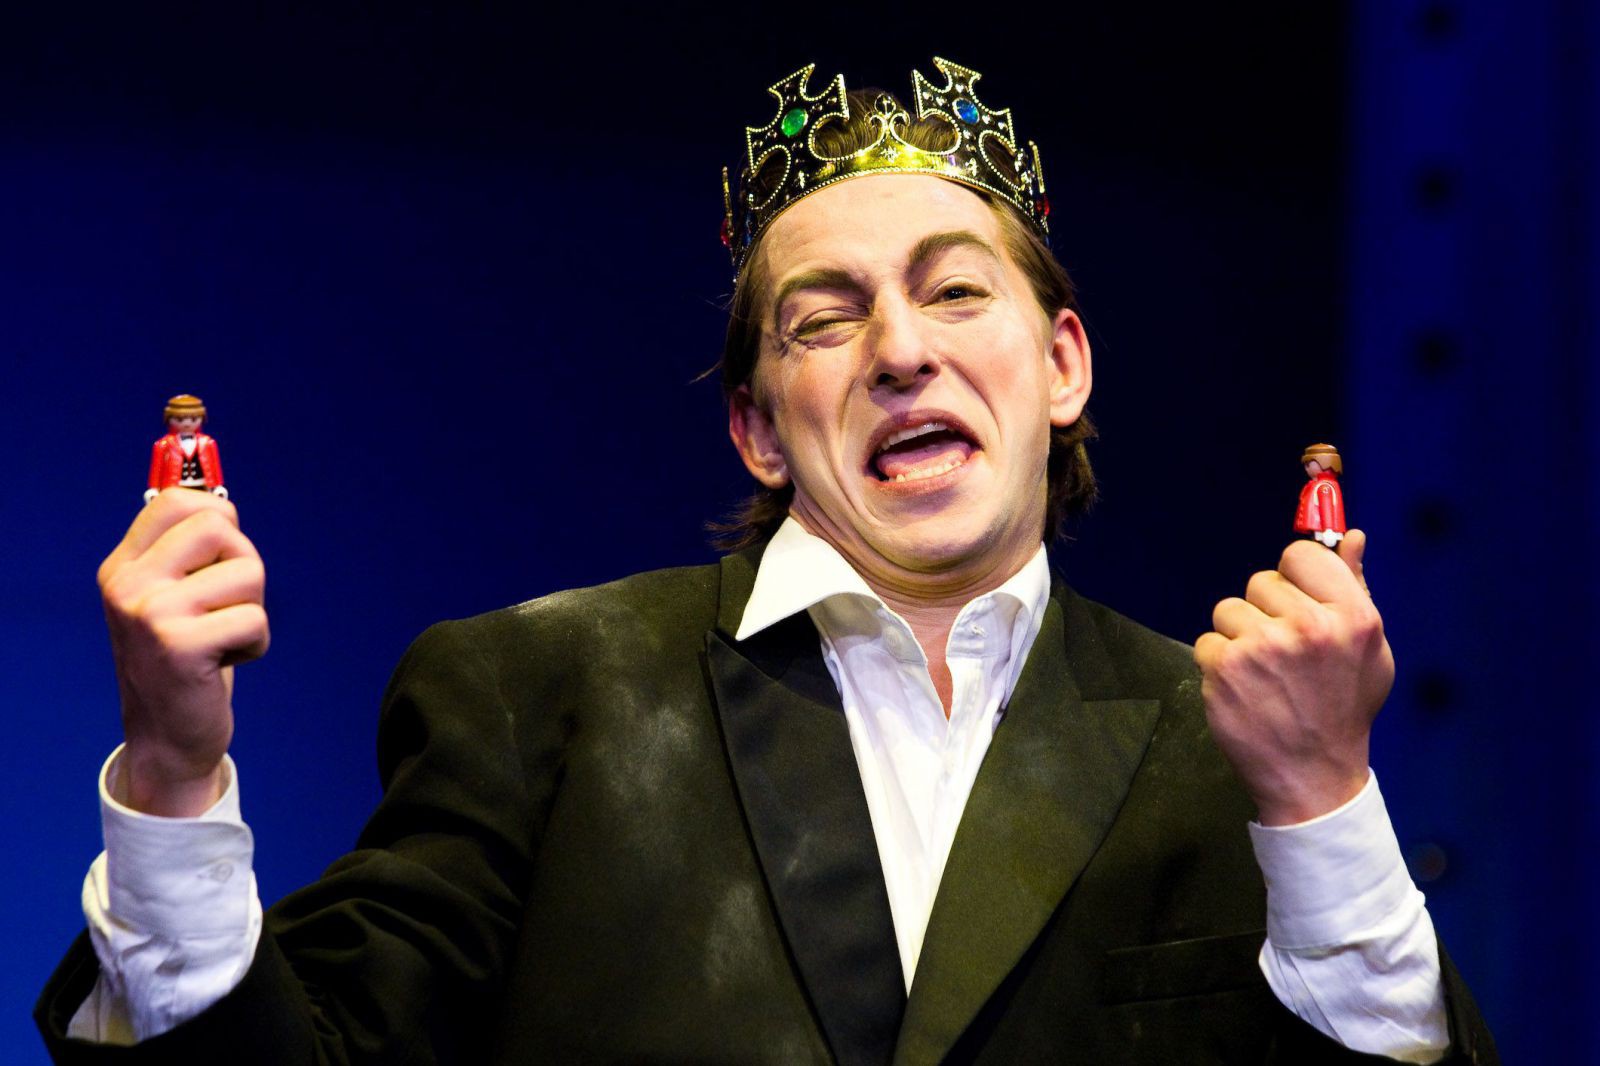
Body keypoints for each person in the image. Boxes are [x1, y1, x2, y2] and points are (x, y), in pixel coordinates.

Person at [37, 60, 1497, 1063]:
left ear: (1062, 364)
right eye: (825, 316)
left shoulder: (1223, 746)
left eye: (954, 290)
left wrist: (1322, 800)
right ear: (757, 427)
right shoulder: (542, 695)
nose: (901, 349)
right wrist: (170, 772)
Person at [144, 393, 227, 504]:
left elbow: (214, 465)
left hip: (201, 486)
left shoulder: (208, 443)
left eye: (193, 419)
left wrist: (218, 486)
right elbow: (157, 467)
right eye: (180, 419)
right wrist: (154, 488)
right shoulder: (163, 444)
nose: (187, 424)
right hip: (174, 487)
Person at [1296, 443, 1347, 549]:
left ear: (1323, 463)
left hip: (1324, 532)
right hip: (1320, 531)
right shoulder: (1319, 484)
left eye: (1308, 464)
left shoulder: (1324, 486)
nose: (1306, 468)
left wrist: (1328, 529)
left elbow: (1326, 508)